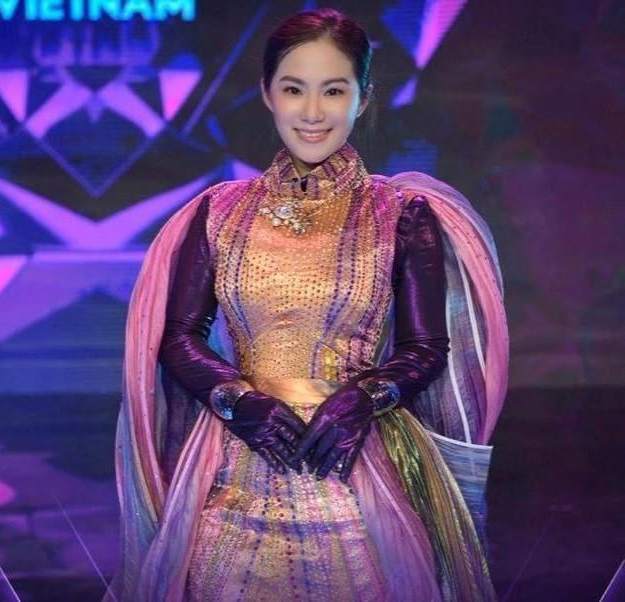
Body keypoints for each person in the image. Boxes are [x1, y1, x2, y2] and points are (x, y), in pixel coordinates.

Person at [105, 8, 508, 602]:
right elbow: (179, 336)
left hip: (352, 465)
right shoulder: (218, 211)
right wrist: (236, 400)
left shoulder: (402, 213)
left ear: (363, 99)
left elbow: (426, 347)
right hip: (235, 466)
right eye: (294, 89)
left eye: (334, 91)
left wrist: (364, 400)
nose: (313, 112)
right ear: (267, 94)